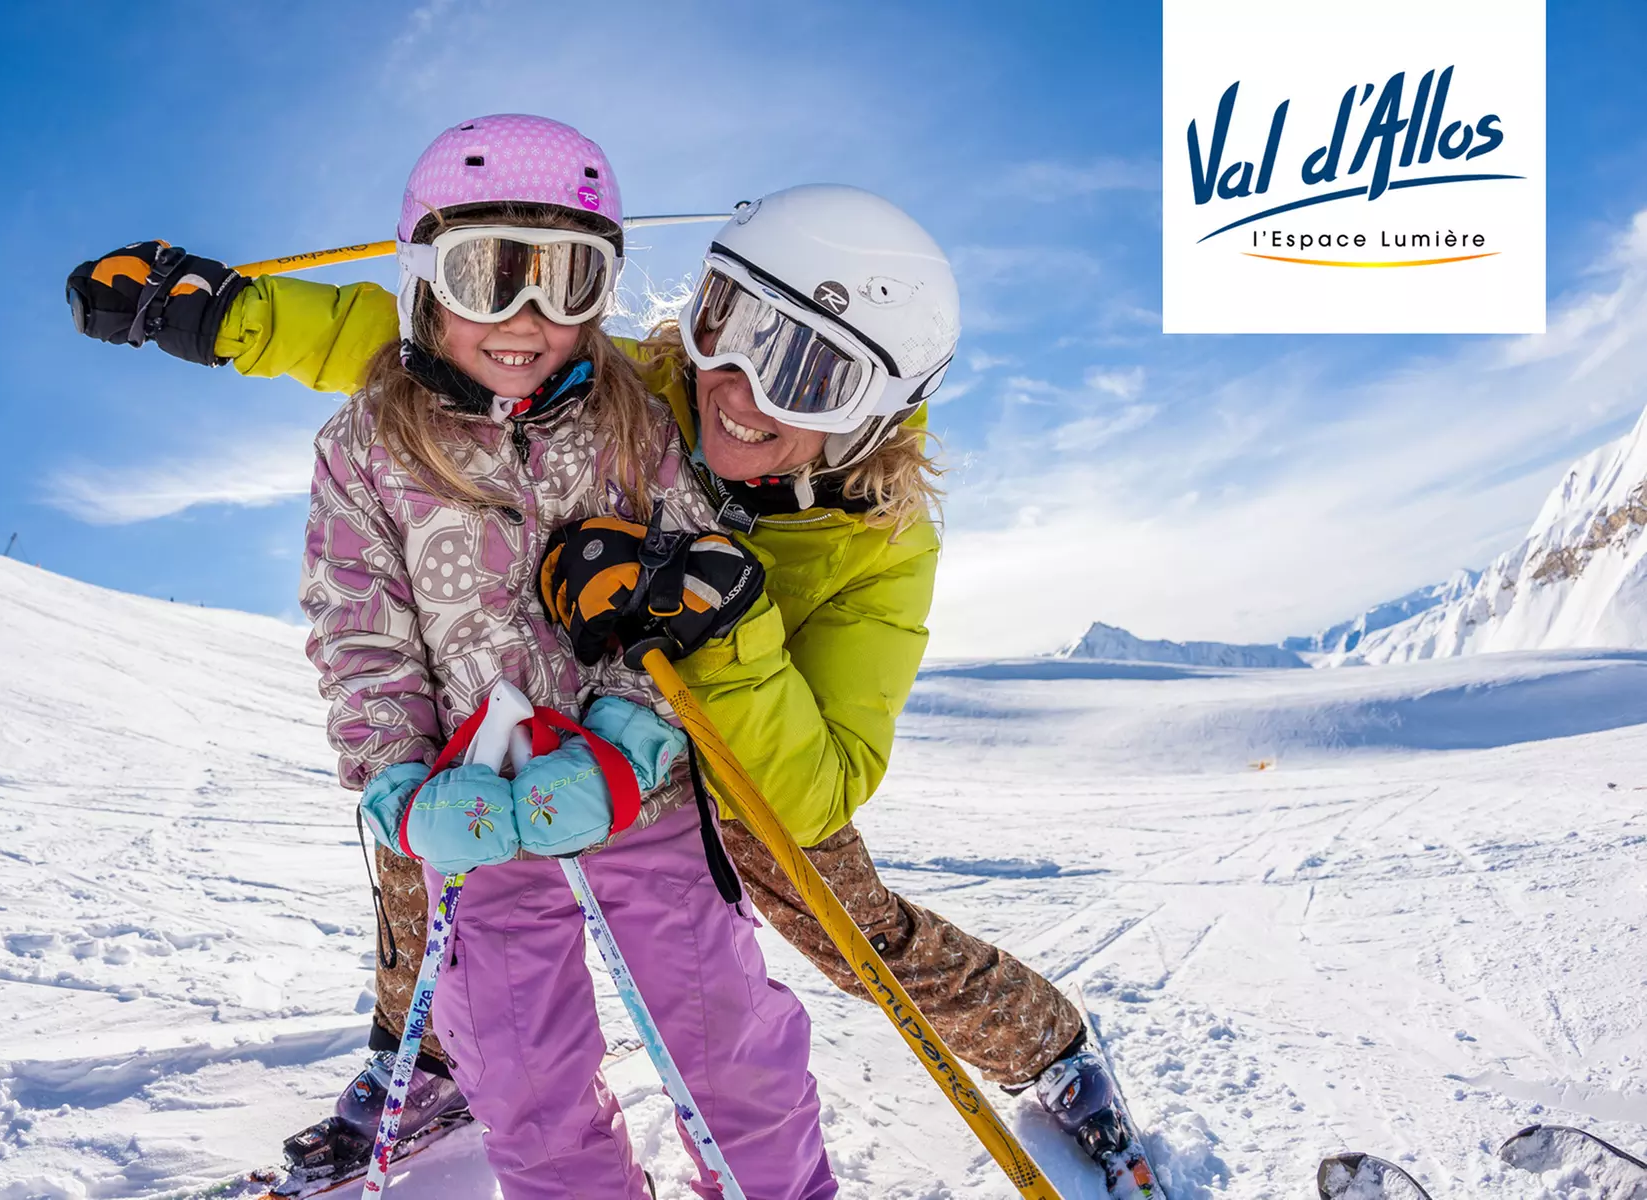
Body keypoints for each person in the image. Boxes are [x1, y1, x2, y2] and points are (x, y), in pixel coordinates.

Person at [67, 129, 1149, 1195]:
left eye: (808, 376)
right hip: (541, 711)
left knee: (839, 917)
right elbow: (415, 341)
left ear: (877, 410)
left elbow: (820, 788)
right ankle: (436, 1063)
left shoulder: (881, 543)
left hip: (738, 747)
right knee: (427, 841)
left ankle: (1047, 1046)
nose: (739, 388)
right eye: (729, 325)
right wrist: (227, 314)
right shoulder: (630, 382)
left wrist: (715, 623)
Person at [70, 114, 835, 1200]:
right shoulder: (365, 446)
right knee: (523, 1083)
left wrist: (628, 740)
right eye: (488, 275)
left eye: (569, 281)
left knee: (727, 1054)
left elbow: (681, 585)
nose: (527, 319)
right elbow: (360, 631)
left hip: (644, 805)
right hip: (471, 813)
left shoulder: (634, 421)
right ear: (424, 281)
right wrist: (397, 781)